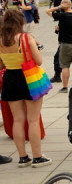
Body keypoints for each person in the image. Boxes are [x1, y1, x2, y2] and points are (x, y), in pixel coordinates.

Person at [0, 9, 40, 166]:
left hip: (10, 78)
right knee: (33, 119)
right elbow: (39, 60)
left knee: (17, 120)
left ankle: (23, 157)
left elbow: (1, 64)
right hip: (28, 77)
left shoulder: (1, 40)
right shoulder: (25, 38)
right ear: (20, 22)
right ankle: (37, 156)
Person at [47, 0, 72, 92]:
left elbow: (48, 11)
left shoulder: (62, 16)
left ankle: (65, 87)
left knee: (65, 66)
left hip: (66, 43)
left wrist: (59, 7)